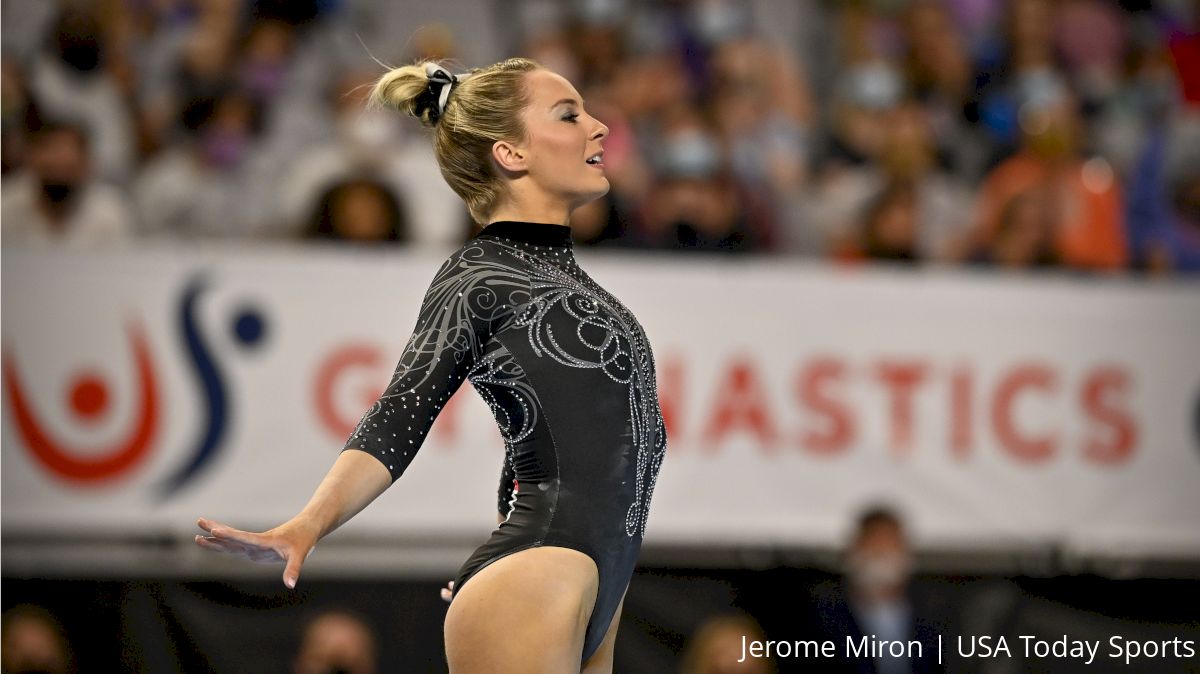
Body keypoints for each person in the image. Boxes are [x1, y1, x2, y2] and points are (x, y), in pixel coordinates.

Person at [194, 57, 668, 674]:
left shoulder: (581, 289)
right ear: (511, 153)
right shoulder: (479, 276)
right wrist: (305, 525)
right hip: (543, 572)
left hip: (590, 580)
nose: (601, 127)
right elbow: (401, 411)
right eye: (569, 115)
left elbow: (555, 433)